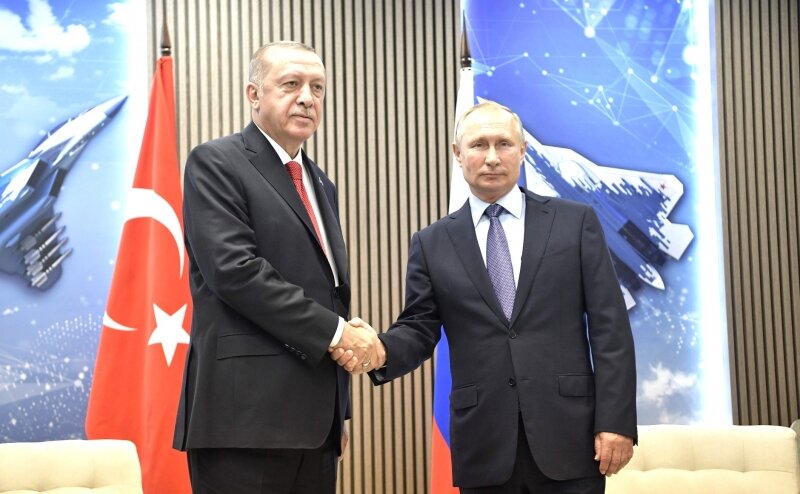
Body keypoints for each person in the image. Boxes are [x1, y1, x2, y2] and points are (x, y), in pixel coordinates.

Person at [332, 101, 637, 493]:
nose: (492, 157)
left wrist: (615, 421)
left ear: (522, 150)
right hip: (484, 445)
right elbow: (419, 328)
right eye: (478, 144)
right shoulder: (432, 242)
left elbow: (611, 329)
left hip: (571, 439)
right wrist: (380, 349)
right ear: (458, 154)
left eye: (504, 144)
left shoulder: (575, 223)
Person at [173, 41, 382, 494]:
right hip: (243, 422)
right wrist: (339, 333)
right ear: (254, 94)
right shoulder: (216, 162)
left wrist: (339, 411)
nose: (307, 98)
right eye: (291, 84)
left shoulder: (320, 182)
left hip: (316, 427)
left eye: (318, 88)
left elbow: (328, 291)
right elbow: (236, 271)